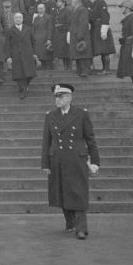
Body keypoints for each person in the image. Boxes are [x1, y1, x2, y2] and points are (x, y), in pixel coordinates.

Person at [41, 83, 100, 240]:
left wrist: (95, 161)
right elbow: (46, 141)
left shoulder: (81, 114)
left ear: (69, 98)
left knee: (78, 192)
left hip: (77, 159)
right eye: (56, 97)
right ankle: (70, 222)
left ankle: (82, 229)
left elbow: (90, 139)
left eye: (60, 97)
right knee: (61, 191)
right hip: (57, 159)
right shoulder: (51, 116)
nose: (57, 100)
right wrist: (45, 164)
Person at [5, 12, 38, 100]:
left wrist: (34, 53)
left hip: (28, 54)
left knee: (30, 74)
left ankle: (25, 86)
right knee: (19, 75)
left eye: (20, 17)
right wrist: (8, 57)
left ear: (22, 19)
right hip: (16, 55)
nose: (18, 19)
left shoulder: (29, 29)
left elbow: (33, 42)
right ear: (14, 19)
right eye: (16, 18)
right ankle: (22, 91)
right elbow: (7, 45)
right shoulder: (10, 30)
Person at [87, 0, 116, 75]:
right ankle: (103, 69)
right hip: (95, 28)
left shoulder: (101, 2)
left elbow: (105, 16)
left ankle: (106, 69)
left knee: (105, 50)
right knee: (100, 49)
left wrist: (103, 30)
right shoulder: (93, 3)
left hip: (101, 28)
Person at [69, 0, 93, 78]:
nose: (72, 2)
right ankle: (80, 71)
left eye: (73, 0)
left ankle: (85, 71)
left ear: (77, 2)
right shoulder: (75, 10)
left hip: (80, 36)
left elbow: (83, 24)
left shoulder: (82, 10)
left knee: (83, 54)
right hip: (75, 35)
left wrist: (80, 35)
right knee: (78, 54)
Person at [52, 0, 72, 71]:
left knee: (67, 52)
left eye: (59, 2)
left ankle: (69, 68)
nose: (57, 3)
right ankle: (65, 68)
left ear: (63, 3)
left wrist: (61, 26)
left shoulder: (67, 11)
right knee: (62, 52)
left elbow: (69, 23)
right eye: (57, 2)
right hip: (58, 35)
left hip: (65, 34)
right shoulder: (57, 11)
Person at [33, 3, 54, 70]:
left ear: (44, 9)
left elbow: (50, 28)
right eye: (39, 8)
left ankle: (48, 71)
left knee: (46, 56)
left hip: (45, 38)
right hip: (37, 39)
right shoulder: (36, 18)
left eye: (42, 8)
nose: (40, 10)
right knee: (39, 56)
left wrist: (49, 39)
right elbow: (33, 29)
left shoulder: (48, 17)